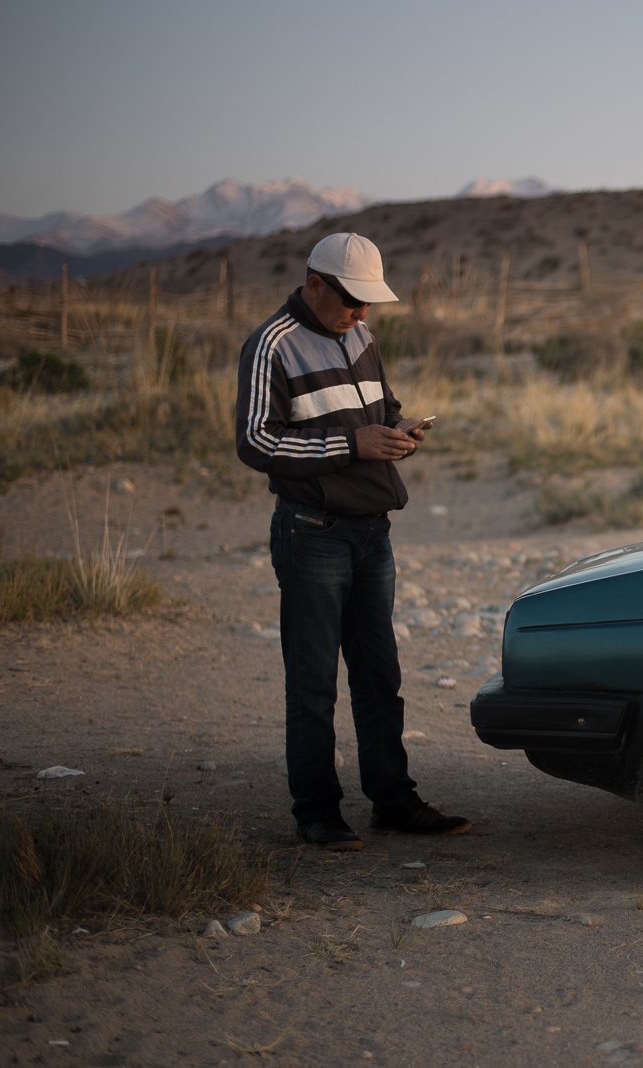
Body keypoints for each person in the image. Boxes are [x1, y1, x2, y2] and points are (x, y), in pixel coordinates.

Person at [235, 232, 470, 851]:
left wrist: (397, 430)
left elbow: (380, 407)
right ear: (314, 284)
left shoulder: (361, 335)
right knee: (313, 684)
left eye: (368, 302)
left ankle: (393, 800)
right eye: (351, 300)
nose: (362, 313)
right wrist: (352, 445)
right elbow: (256, 444)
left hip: (372, 531)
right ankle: (317, 813)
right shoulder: (270, 346)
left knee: (378, 676)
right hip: (312, 534)